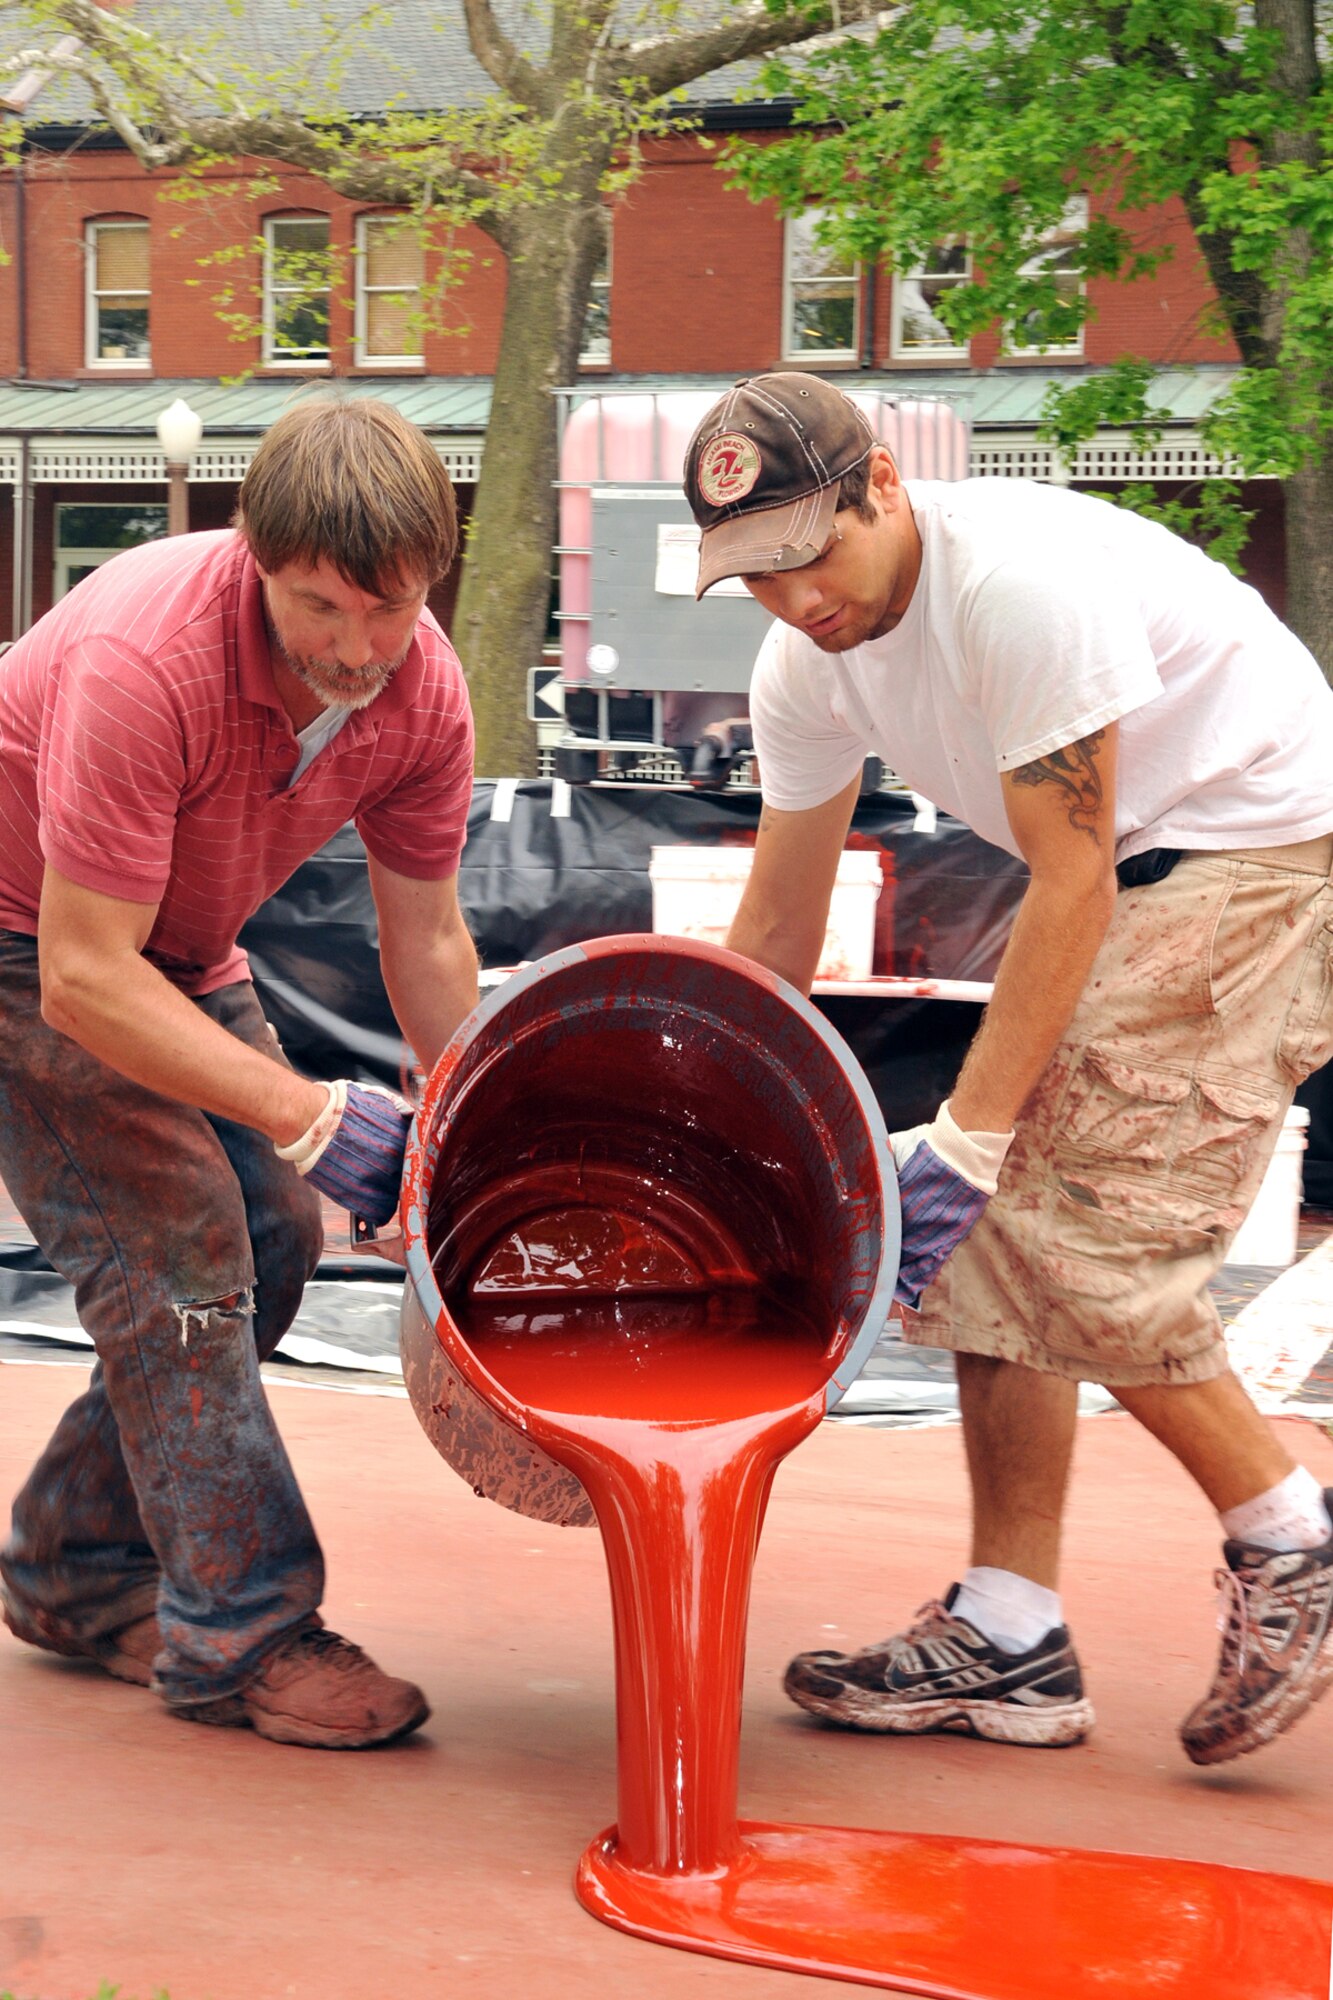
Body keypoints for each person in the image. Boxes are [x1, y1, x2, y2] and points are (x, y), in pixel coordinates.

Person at [683, 371, 1333, 1766]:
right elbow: (779, 922)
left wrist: (966, 1141)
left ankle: (1293, 1540)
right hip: (1138, 867)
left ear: (881, 489)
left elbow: (1072, 875)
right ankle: (1010, 1633)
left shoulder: (1012, 586)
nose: (795, 598)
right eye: (755, 574)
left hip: (1256, 851)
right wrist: (694, 1116)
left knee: (1063, 1235)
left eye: (811, 550)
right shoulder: (805, 659)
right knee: (989, 1237)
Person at [0, 398, 478, 1749]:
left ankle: (78, 1572)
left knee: (275, 1231)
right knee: (187, 1249)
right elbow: (87, 976)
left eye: (391, 609)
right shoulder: (143, 660)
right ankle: (243, 1636)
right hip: (26, 941)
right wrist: (311, 1108)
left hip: (174, 942)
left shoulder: (421, 684)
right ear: (250, 555)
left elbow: (430, 935)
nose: (359, 650)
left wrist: (459, 1130)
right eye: (320, 608)